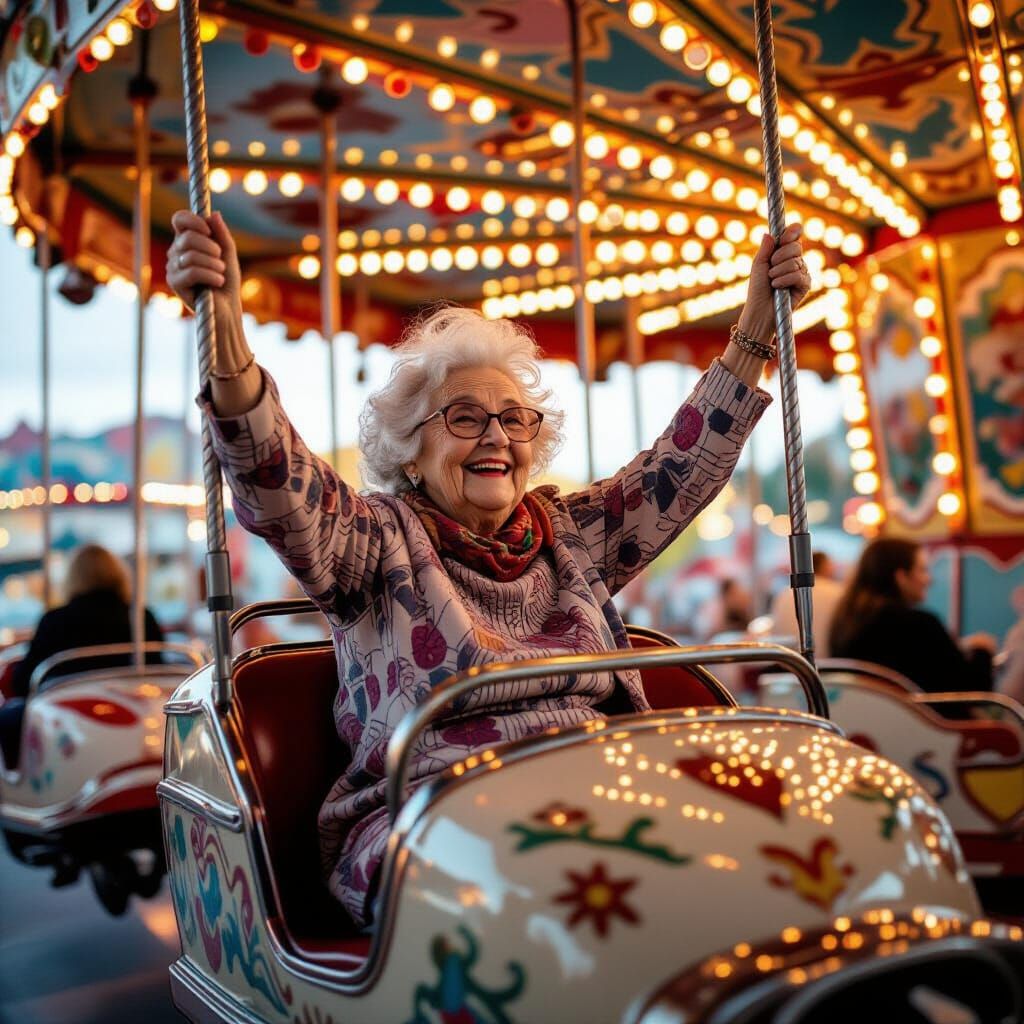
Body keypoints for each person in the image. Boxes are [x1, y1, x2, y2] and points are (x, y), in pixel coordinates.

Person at [166, 208, 811, 926]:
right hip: (438, 811)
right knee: (556, 889)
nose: (496, 435)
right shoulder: (374, 544)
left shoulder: (567, 533)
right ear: (410, 449)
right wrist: (224, 339)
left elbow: (679, 470)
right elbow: (278, 487)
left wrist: (755, 326)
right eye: (465, 418)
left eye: (514, 418)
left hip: (595, 789)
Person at [0, 544, 164, 765]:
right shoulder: (141, 617)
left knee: (10, 715)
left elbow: (23, 682)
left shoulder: (55, 620)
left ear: (72, 578)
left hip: (66, 717)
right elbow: (157, 668)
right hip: (138, 717)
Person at [829, 538, 996, 692]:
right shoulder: (920, 624)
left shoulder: (847, 621)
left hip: (860, 722)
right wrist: (982, 651)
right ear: (901, 577)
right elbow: (971, 688)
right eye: (922, 570)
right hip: (925, 723)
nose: (929, 579)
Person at [770, 550, 844, 657]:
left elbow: (775, 632)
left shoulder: (784, 594)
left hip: (788, 661)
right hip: (829, 663)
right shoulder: (838, 593)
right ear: (824, 567)